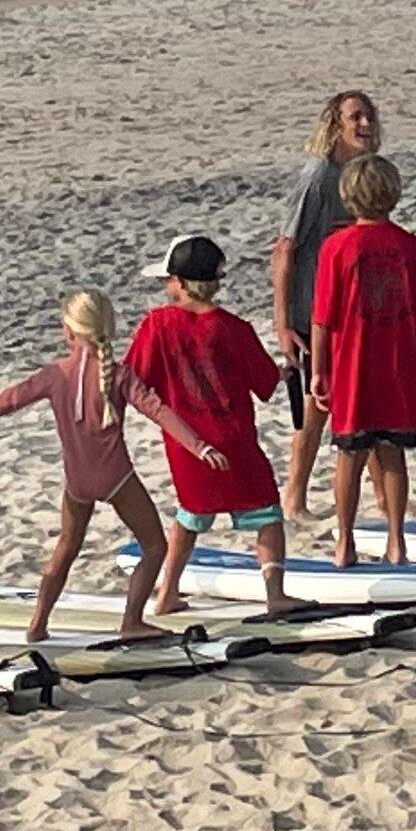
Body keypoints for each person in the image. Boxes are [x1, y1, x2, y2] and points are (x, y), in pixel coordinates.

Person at [0, 289, 207, 644]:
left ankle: (38, 624)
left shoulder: (54, 374)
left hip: (77, 482)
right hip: (117, 478)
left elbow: (11, 398)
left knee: (67, 547)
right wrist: (198, 446)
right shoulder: (119, 376)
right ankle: (132, 621)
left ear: (68, 332)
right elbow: (158, 411)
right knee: (154, 547)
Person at [126, 237, 291, 617]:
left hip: (187, 444)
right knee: (266, 512)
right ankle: (275, 593)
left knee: (189, 516)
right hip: (235, 439)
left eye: (168, 280)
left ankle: (167, 592)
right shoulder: (235, 328)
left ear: (181, 283)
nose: (166, 288)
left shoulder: (158, 324)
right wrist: (286, 370)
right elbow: (264, 384)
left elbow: (133, 378)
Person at [309, 154, 416, 571]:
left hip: (353, 366)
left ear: (349, 198)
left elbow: (322, 318)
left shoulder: (336, 248)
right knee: (392, 453)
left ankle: (344, 541)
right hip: (399, 363)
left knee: (350, 454)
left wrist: (318, 371)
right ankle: (396, 540)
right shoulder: (411, 247)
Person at [268, 92, 382, 520]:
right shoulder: (318, 176)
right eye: (356, 116)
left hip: (349, 309)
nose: (365, 123)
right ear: (335, 124)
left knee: (361, 401)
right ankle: (294, 498)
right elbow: (283, 250)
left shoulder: (364, 174)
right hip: (310, 311)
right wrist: (282, 323)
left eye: (369, 115)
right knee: (316, 410)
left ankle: (381, 495)